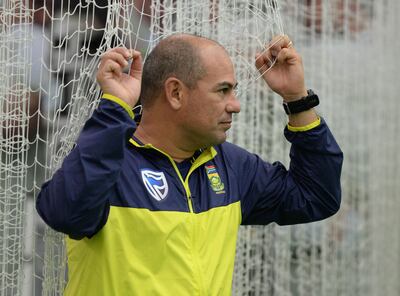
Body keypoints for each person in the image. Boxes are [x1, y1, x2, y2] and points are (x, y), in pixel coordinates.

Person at [36, 33, 343, 295]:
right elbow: (64, 213)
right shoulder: (108, 160)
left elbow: (315, 197)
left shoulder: (230, 166)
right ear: (176, 92)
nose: (235, 105)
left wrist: (297, 98)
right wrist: (115, 106)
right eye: (223, 90)